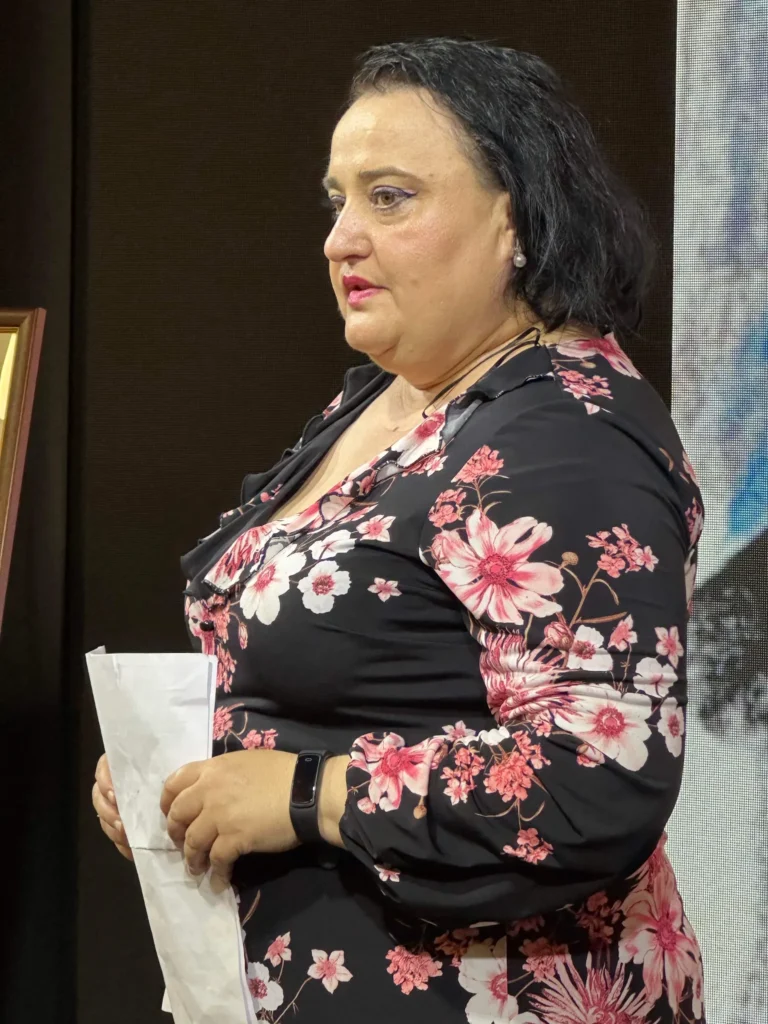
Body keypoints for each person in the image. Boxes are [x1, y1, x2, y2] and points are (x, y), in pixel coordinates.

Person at [93, 37, 705, 1022]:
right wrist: (188, 775)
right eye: (338, 201)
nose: (340, 239)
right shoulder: (392, 397)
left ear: (517, 218)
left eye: (389, 198)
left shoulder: (568, 437)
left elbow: (597, 779)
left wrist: (306, 795)